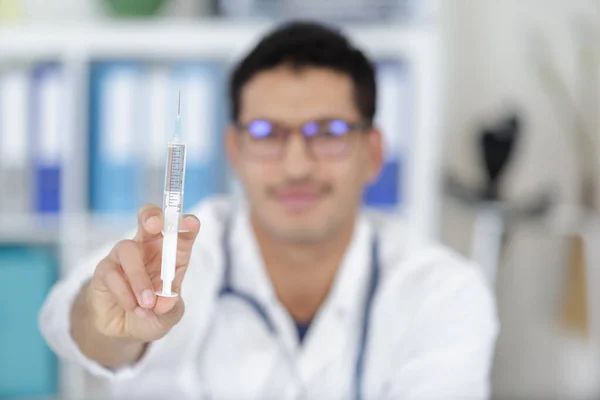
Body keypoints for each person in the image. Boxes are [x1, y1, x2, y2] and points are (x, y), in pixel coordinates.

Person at [40, 21, 498, 399]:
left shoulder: (442, 292)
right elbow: (71, 324)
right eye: (265, 132)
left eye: (330, 131)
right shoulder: (178, 260)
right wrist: (108, 326)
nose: (297, 165)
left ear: (373, 152)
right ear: (234, 151)